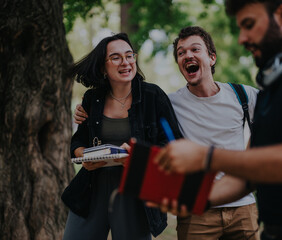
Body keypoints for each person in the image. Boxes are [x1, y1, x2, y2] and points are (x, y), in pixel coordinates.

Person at [153, 1, 282, 239]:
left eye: (249, 25)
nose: (242, 38)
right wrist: (196, 200)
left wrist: (205, 157)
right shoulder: (271, 89)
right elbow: (248, 175)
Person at [74, 26, 260, 240]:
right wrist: (83, 112)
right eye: (181, 53)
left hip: (243, 207)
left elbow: (279, 119)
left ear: (212, 58)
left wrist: (249, 160)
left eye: (195, 49)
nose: (188, 55)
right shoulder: (169, 102)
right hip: (196, 208)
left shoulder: (243, 95)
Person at [62, 33, 182, 240]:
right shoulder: (93, 98)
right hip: (92, 189)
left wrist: (140, 158)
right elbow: (79, 140)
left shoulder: (153, 96)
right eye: (116, 57)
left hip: (135, 193)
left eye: (129, 55)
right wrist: (83, 155)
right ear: (103, 67)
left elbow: (174, 144)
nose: (125, 62)